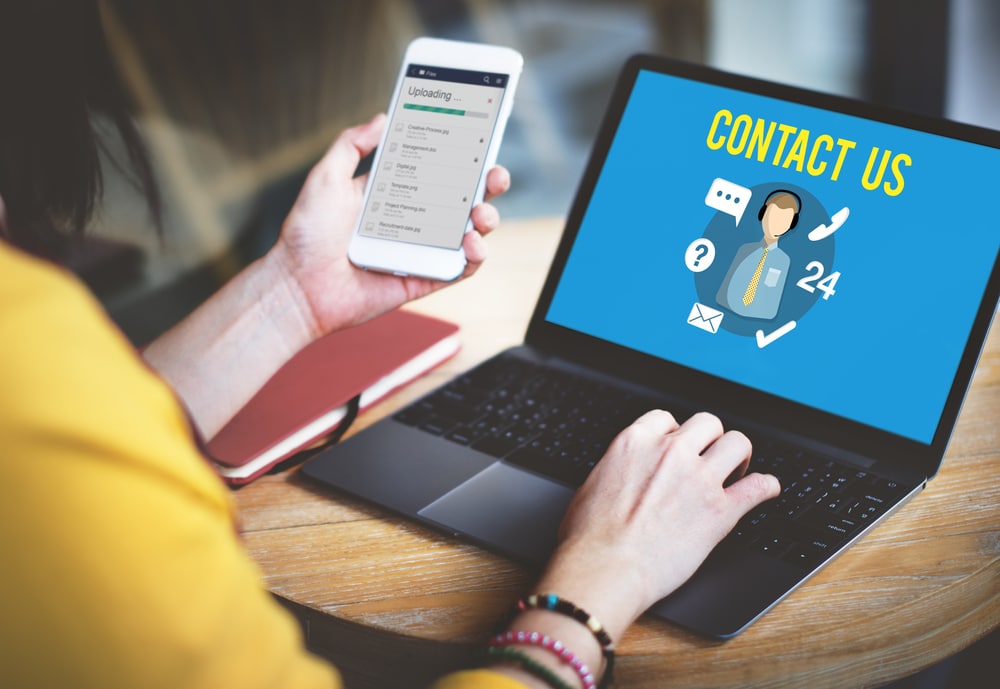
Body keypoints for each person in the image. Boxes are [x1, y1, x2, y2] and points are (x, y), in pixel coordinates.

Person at [0, 5, 780, 688]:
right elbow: (57, 445)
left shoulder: (34, 343)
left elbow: (90, 419)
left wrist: (292, 293)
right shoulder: (28, 360)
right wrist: (608, 570)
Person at [716, 189, 801, 320]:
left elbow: (771, 300)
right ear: (762, 214)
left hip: (758, 317)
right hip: (727, 309)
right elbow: (725, 290)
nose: (776, 224)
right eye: (773, 217)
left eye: (784, 220)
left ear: (791, 224)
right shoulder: (745, 249)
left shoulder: (783, 261)